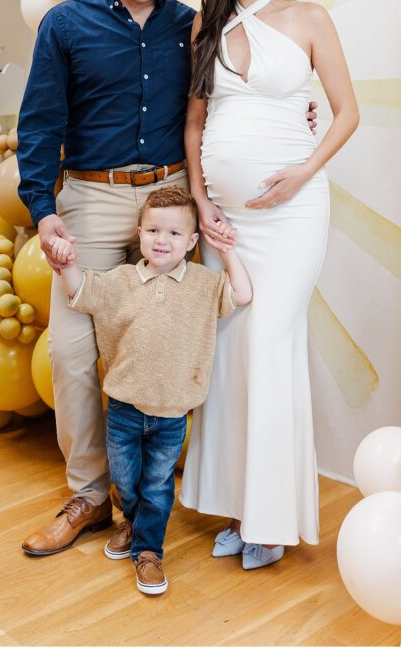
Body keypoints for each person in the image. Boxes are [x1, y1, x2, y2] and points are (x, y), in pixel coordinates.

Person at [17, 0, 316, 557]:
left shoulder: (192, 26)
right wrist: (44, 211)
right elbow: (38, 126)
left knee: (172, 344)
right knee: (72, 353)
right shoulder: (65, 26)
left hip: (172, 200)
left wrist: (304, 111)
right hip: (91, 197)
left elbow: (231, 96)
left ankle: (152, 490)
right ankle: (90, 495)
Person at [180, 0, 359, 570]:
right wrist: (203, 207)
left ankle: (273, 521)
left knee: (270, 346)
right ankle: (237, 507)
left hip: (293, 215)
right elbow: (195, 128)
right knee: (230, 357)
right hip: (227, 225)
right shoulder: (206, 25)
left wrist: (303, 170)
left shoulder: (309, 18)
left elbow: (347, 112)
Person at [49, 186, 252, 595]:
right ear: (139, 233)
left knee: (158, 485)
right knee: (126, 482)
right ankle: (131, 522)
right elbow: (80, 292)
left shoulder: (203, 283)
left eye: (175, 234)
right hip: (124, 408)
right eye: (154, 230)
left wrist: (228, 250)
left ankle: (148, 552)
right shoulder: (120, 279)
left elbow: (242, 294)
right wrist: (66, 264)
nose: (163, 240)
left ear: (192, 242)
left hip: (173, 412)